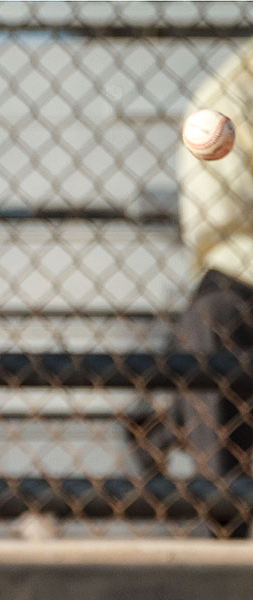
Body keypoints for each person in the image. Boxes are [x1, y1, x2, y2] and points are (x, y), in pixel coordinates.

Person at [164, 38, 253, 538]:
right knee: (213, 322)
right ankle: (228, 515)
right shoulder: (231, 94)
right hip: (241, 277)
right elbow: (223, 224)